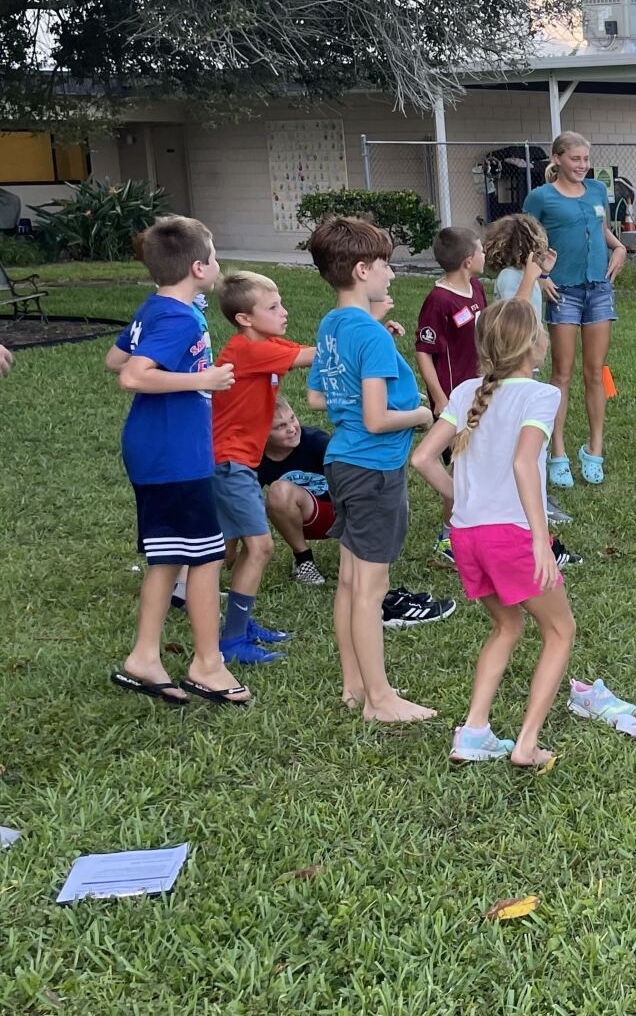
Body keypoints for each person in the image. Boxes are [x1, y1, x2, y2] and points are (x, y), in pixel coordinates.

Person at [410, 302, 571, 768]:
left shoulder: (464, 391)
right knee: (560, 631)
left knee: (507, 624)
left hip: (467, 537)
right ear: (533, 344)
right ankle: (526, 745)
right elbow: (524, 463)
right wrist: (541, 539)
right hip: (512, 537)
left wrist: (461, 501)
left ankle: (474, 732)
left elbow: (422, 460)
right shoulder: (541, 395)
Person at [106, 217, 251, 707]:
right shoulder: (179, 317)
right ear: (197, 267)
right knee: (206, 557)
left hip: (161, 451)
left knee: (169, 556)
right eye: (212, 256)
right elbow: (129, 374)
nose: (216, 263)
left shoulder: (160, 307)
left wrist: (181, 367)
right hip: (172, 457)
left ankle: (145, 656)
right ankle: (208, 664)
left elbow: (114, 355)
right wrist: (200, 380)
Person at [308, 216, 439, 723]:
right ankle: (380, 700)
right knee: (370, 588)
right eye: (385, 265)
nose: (391, 274)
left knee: (349, 581)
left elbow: (318, 397)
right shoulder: (371, 336)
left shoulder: (332, 325)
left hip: (343, 461)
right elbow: (377, 418)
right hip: (373, 468)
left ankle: (354, 685)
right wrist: (425, 414)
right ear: (362, 270)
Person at [259, 399, 460, 623]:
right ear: (262, 433)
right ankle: (304, 561)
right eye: (280, 427)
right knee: (278, 491)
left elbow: (350, 475)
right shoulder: (257, 458)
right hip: (307, 516)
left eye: (293, 419)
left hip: (343, 511)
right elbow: (240, 507)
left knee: (358, 584)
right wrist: (232, 553)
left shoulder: (315, 442)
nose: (292, 428)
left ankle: (381, 598)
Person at [210, 270, 313, 664]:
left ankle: (240, 626)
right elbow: (312, 356)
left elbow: (302, 348)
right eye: (273, 307)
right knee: (261, 547)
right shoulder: (249, 351)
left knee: (250, 547)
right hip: (229, 464)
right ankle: (233, 641)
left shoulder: (263, 342)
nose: (284, 311)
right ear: (244, 319)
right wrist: (364, 328)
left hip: (238, 464)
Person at [521, 130, 629, 487]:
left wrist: (619, 249)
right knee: (561, 374)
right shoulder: (541, 197)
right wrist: (538, 278)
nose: (582, 165)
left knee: (595, 371)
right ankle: (558, 453)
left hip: (598, 288)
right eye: (575, 159)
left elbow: (601, 230)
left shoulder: (597, 191)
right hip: (562, 290)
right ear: (557, 160)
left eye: (585, 159)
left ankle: (594, 449)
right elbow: (524, 240)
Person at [414, 226, 488, 566]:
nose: (486, 256)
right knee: (461, 466)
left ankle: (472, 525)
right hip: (454, 398)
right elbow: (424, 352)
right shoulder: (438, 300)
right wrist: (439, 397)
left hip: (480, 392)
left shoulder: (477, 288)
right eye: (482, 251)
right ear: (468, 260)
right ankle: (448, 538)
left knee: (476, 462)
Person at [483, 213, 556, 324]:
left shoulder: (525, 272)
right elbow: (515, 311)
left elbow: (533, 294)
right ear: (531, 244)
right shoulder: (509, 275)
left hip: (529, 335)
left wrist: (544, 273)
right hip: (519, 337)